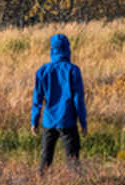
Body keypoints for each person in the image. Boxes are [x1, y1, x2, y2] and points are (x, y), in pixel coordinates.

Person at [30, 33, 87, 173]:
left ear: (52, 49)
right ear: (67, 49)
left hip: (49, 121)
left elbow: (37, 99)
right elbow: (78, 99)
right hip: (68, 121)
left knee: (45, 158)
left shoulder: (42, 71)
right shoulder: (73, 70)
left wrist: (34, 121)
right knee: (73, 160)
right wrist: (83, 122)